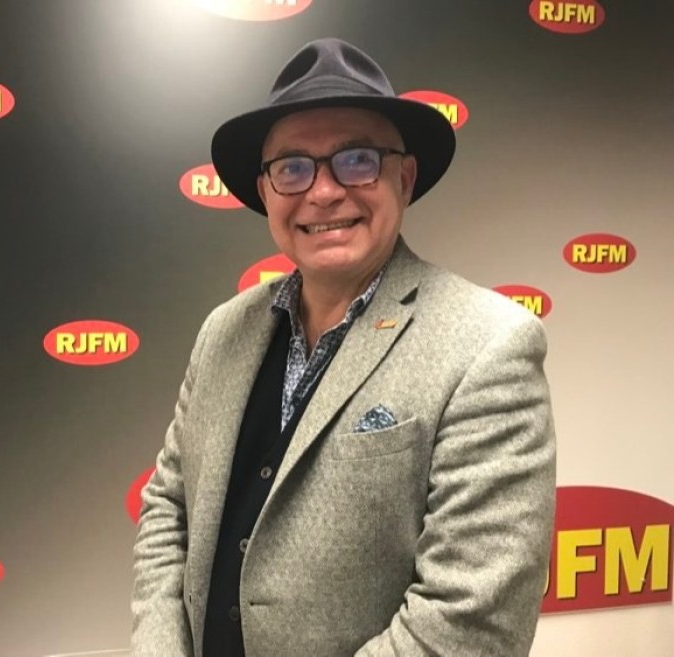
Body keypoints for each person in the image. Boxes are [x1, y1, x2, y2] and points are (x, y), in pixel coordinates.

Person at [131, 38, 556, 657]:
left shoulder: (487, 346)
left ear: (404, 178)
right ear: (266, 191)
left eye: (357, 160)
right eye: (293, 167)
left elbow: (469, 623)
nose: (324, 192)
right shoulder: (223, 332)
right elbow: (168, 509)